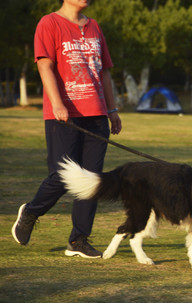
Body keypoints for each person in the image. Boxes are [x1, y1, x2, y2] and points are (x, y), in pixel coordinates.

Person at [11, 0, 122, 258]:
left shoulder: (94, 26)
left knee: (91, 180)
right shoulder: (49, 23)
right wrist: (57, 103)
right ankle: (31, 212)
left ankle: (78, 240)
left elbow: (104, 72)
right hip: (64, 115)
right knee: (63, 176)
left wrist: (113, 110)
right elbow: (44, 65)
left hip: (96, 114)